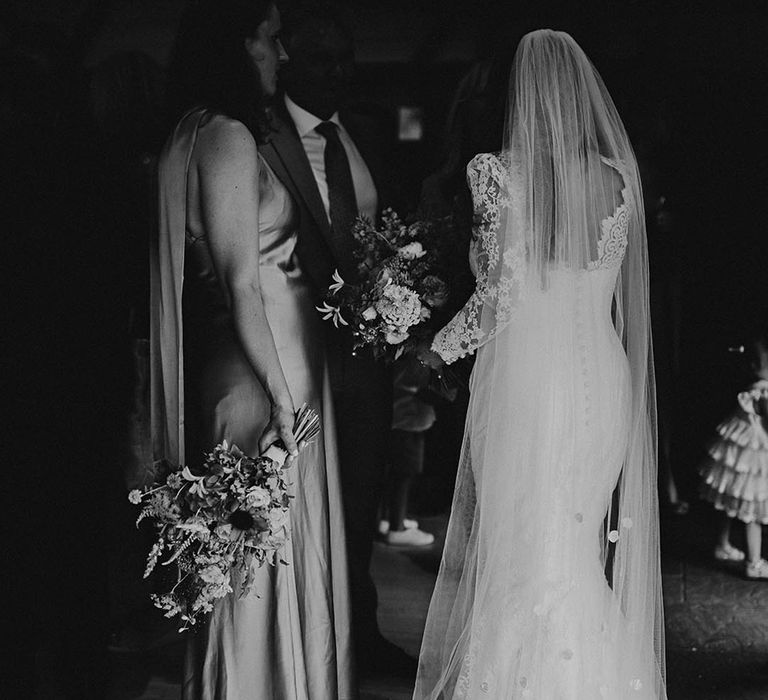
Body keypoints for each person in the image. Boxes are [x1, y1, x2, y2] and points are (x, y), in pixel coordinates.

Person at [414, 30, 667, 698]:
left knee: (524, 557)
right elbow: (620, 307)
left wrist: (428, 349)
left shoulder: (495, 172)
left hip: (532, 384)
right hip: (603, 385)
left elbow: (498, 299)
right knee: (574, 555)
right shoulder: (620, 179)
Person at [151, 2, 353, 697]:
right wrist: (282, 397)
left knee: (254, 548)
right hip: (259, 374)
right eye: (270, 39)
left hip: (260, 365)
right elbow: (242, 281)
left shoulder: (194, 131)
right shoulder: (226, 136)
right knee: (255, 558)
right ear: (237, 45)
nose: (282, 55)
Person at [258, 2, 413, 676]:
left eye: (347, 57)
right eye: (324, 58)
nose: (340, 71)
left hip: (368, 357)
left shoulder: (368, 132)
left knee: (361, 499)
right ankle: (307, 635)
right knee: (298, 501)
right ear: (288, 56)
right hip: (295, 350)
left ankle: (361, 634)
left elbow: (395, 232)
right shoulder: (258, 137)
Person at [700, 334, 768, 579]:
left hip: (737, 457)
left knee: (730, 503)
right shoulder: (762, 392)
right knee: (753, 511)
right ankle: (754, 562)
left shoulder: (749, 388)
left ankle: (722, 544)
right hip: (753, 460)